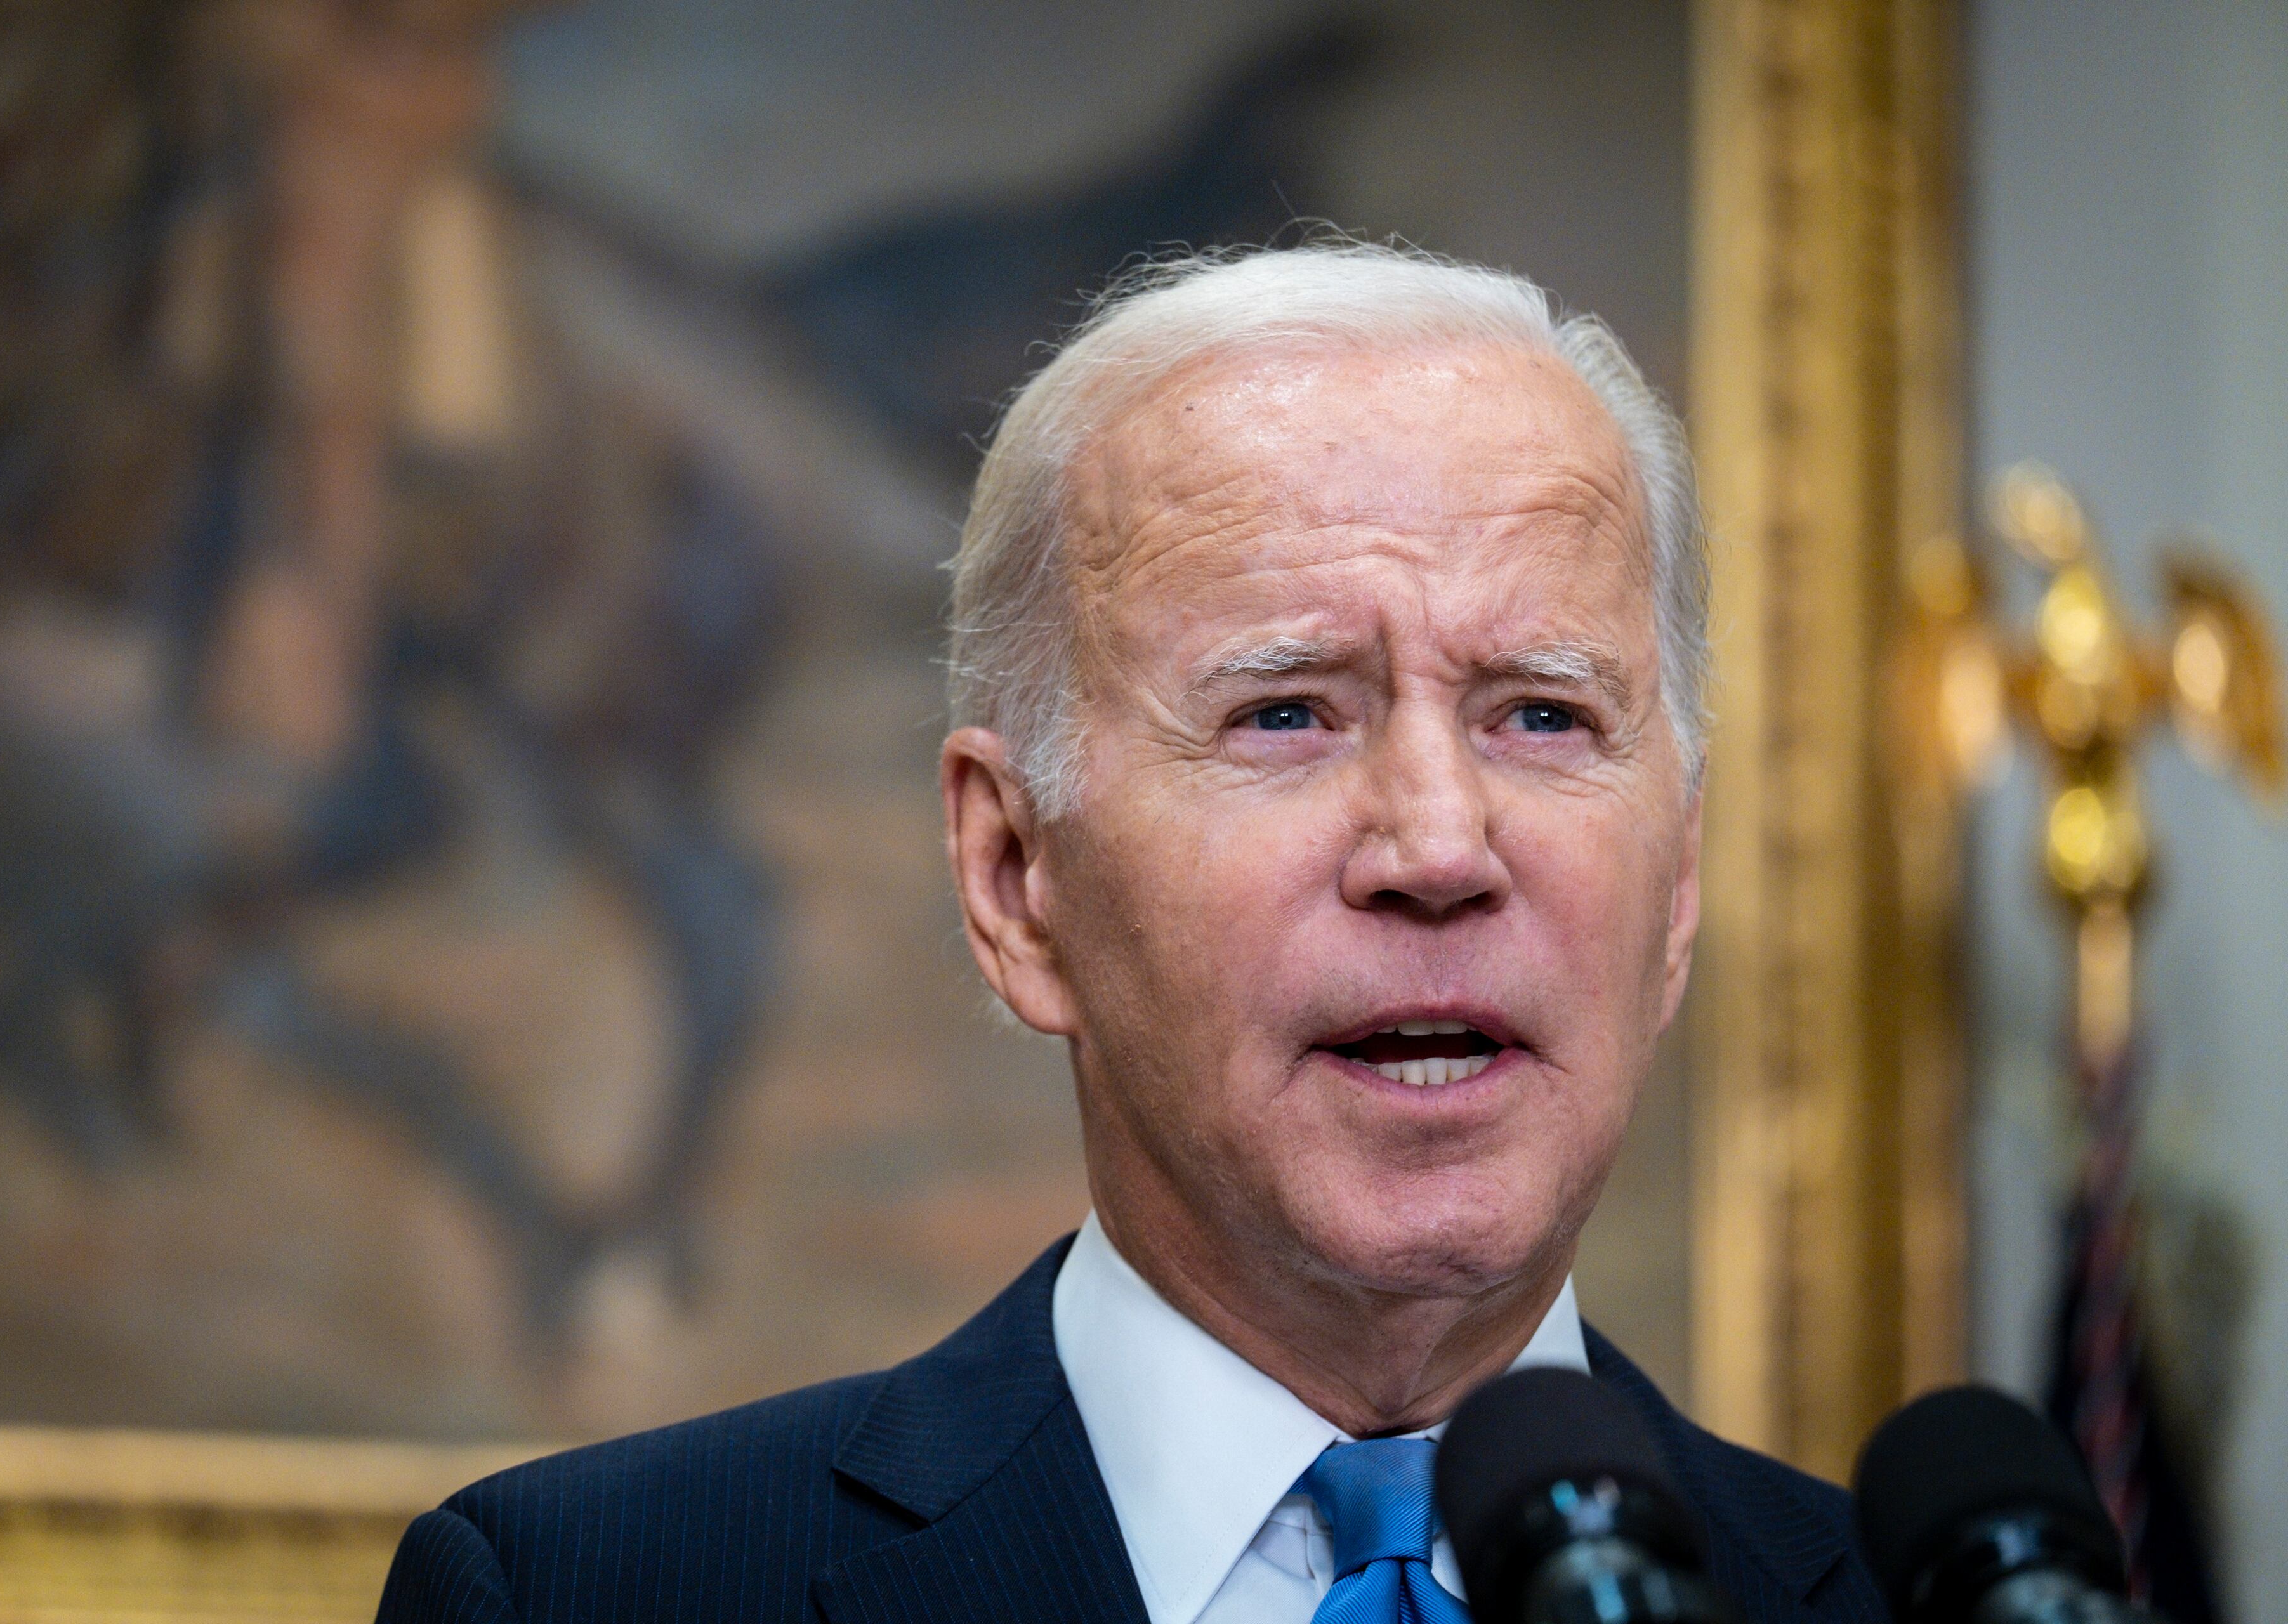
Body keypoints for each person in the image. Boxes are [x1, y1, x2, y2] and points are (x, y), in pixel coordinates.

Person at [374, 242, 1887, 1624]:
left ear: (1678, 883)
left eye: (1544, 715)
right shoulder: (584, 1595)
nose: (1439, 846)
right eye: (1286, 711)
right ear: (1014, 872)